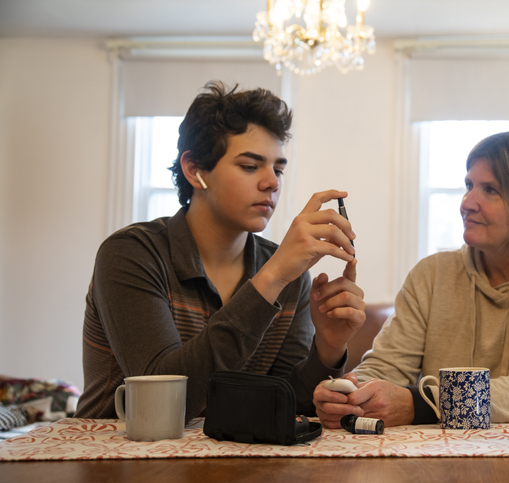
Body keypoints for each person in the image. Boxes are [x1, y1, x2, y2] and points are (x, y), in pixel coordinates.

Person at [75, 81, 365, 422]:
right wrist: (271, 276)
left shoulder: (290, 277)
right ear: (195, 170)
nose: (272, 182)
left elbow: (291, 402)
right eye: (249, 165)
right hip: (115, 462)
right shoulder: (130, 254)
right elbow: (166, 403)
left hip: (228, 463)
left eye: (279, 168)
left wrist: (328, 347)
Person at [313, 130, 509, 450]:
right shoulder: (431, 275)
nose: (467, 203)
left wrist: (422, 403)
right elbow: (385, 369)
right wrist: (348, 392)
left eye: (490, 190)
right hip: (454, 456)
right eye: (469, 185)